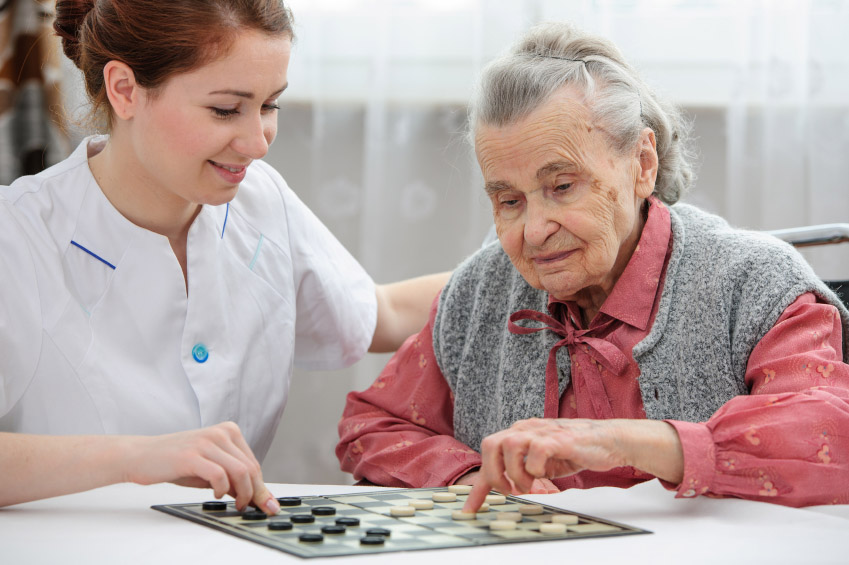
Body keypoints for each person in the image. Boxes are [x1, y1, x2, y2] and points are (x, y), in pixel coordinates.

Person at [336, 21, 849, 508]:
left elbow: (828, 430)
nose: (534, 232)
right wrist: (473, 476)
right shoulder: (479, 291)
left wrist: (627, 443)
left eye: (561, 187)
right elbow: (374, 425)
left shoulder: (754, 284)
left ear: (642, 164)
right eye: (509, 200)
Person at [0, 0, 449, 510]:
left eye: (270, 104)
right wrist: (134, 459)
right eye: (225, 109)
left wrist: (534, 269)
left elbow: (379, 314)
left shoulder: (260, 200)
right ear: (124, 89)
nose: (258, 142)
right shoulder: (16, 238)